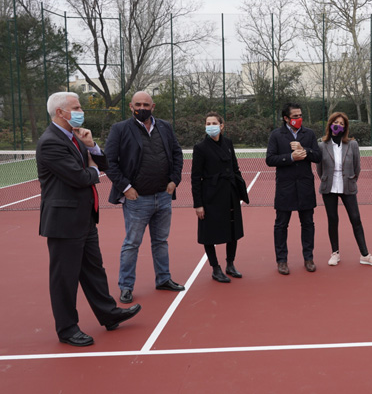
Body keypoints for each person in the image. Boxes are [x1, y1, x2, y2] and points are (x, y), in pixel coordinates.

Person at [37, 92, 141, 346]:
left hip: (85, 218)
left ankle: (108, 313)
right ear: (60, 112)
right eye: (76, 107)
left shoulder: (75, 138)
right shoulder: (50, 142)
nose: (81, 111)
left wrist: (91, 145)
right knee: (65, 278)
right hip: (64, 222)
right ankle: (67, 329)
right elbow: (81, 177)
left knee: (94, 270)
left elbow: (103, 164)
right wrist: (92, 168)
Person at [105, 91, 185, 304]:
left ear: (153, 107)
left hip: (163, 196)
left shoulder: (165, 127)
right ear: (131, 106)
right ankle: (126, 286)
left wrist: (174, 180)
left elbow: (177, 154)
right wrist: (126, 188)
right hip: (137, 199)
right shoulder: (120, 129)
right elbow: (109, 162)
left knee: (161, 241)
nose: (142, 108)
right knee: (132, 244)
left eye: (146, 105)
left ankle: (163, 279)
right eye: (138, 104)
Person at [191, 112, 250, 283]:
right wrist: (198, 204)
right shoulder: (200, 147)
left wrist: (240, 191)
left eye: (214, 123)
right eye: (208, 123)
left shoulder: (228, 143)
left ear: (221, 126)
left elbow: (235, 168)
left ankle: (230, 264)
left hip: (230, 193)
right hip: (210, 195)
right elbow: (195, 178)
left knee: (233, 229)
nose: (211, 126)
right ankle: (215, 268)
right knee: (209, 232)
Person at [317, 112, 372, 267]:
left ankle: (365, 255)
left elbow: (357, 166)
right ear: (330, 124)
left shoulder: (352, 144)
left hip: (348, 186)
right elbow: (319, 169)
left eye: (341, 123)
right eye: (335, 122)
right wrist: (327, 179)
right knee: (333, 219)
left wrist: (351, 180)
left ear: (345, 127)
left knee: (355, 219)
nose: (338, 125)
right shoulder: (322, 145)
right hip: (329, 187)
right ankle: (335, 253)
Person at [266, 102, 322, 275]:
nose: (299, 118)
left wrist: (304, 150)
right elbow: (270, 159)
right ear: (286, 118)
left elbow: (318, 156)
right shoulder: (276, 135)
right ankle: (281, 260)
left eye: (300, 115)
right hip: (285, 187)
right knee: (281, 225)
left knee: (308, 223)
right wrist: (290, 157)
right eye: (295, 116)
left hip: (305, 186)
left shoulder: (309, 134)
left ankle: (309, 258)